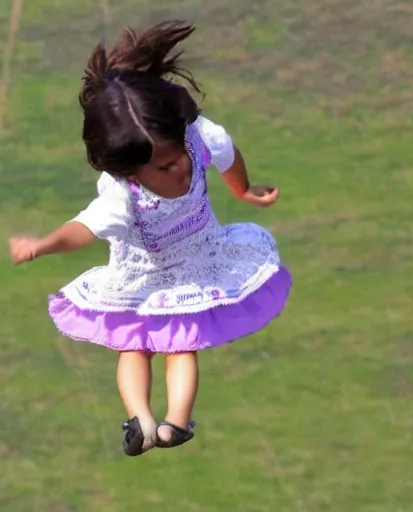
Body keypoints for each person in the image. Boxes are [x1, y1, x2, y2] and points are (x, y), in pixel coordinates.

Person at [8, 20, 292, 457]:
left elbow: (229, 155)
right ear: (126, 168)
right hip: (142, 279)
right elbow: (81, 230)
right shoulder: (122, 196)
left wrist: (243, 190)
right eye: (162, 169)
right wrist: (43, 244)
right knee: (136, 347)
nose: (178, 170)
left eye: (177, 158)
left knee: (182, 346)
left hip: (197, 266)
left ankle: (175, 423)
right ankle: (140, 419)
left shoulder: (199, 139)